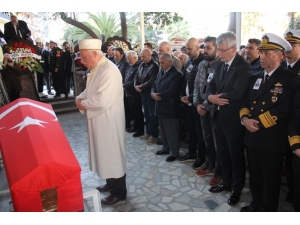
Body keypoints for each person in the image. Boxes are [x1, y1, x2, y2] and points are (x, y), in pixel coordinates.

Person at [240, 33, 299, 212]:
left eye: (268, 53)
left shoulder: (291, 79)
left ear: (280, 56)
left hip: (272, 138)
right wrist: (244, 119)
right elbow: (245, 102)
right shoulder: (256, 76)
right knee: (256, 175)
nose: (262, 57)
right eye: (262, 52)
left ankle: (268, 209)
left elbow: (284, 109)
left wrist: (255, 122)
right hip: (252, 135)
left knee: (270, 178)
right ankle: (256, 203)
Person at [75, 39, 126, 205]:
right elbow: (89, 91)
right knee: (105, 154)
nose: (82, 61)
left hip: (109, 121)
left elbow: (102, 100)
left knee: (112, 156)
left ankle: (119, 192)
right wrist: (80, 97)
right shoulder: (97, 68)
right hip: (100, 120)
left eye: (84, 57)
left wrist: (82, 103)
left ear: (95, 54)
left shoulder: (109, 70)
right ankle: (111, 183)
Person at [206, 31, 252, 206]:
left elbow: (238, 93)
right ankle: (226, 181)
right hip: (218, 116)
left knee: (235, 155)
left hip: (234, 119)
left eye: (223, 50)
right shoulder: (220, 64)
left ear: (233, 49)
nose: (219, 53)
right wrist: (211, 98)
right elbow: (210, 85)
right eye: (218, 49)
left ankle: (236, 187)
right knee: (223, 153)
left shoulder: (243, 66)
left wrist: (218, 96)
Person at [193, 36, 222, 186]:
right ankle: (210, 166)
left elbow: (218, 91)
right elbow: (197, 85)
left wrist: (205, 106)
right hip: (202, 109)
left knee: (218, 144)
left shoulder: (221, 66)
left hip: (214, 110)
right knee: (207, 140)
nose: (205, 50)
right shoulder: (202, 64)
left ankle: (219, 171)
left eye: (209, 47)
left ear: (217, 49)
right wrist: (197, 103)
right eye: (204, 47)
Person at [179, 37, 206, 170]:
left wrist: (191, 98)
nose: (187, 51)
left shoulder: (203, 62)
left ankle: (201, 157)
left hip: (197, 104)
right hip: (187, 103)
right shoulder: (189, 61)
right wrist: (182, 96)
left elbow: (202, 85)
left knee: (199, 132)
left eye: (190, 48)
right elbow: (184, 80)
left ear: (197, 48)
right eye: (186, 48)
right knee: (191, 130)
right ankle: (191, 152)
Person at [152, 53, 182, 162]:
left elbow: (172, 91)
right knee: (163, 130)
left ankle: (174, 152)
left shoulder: (176, 74)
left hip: (170, 107)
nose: (160, 65)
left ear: (170, 62)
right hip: (160, 106)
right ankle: (165, 147)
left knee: (172, 132)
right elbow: (154, 85)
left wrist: (158, 96)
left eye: (162, 62)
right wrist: (152, 94)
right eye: (160, 62)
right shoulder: (161, 72)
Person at [134, 48, 159, 144]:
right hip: (142, 93)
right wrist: (135, 85)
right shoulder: (141, 64)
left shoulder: (154, 66)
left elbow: (152, 80)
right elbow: (136, 75)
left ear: (150, 56)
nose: (142, 58)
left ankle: (154, 135)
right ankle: (148, 132)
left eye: (144, 57)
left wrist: (141, 86)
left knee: (152, 115)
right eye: (141, 56)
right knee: (146, 114)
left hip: (149, 93)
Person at [123, 51, 144, 137]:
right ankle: (135, 127)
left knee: (138, 112)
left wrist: (124, 85)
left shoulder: (139, 66)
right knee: (133, 112)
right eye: (127, 59)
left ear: (135, 58)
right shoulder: (129, 66)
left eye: (129, 59)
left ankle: (140, 129)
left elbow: (134, 80)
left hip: (135, 93)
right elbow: (126, 77)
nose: (128, 61)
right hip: (129, 93)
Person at [114, 47, 131, 131]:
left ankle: (127, 124)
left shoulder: (124, 63)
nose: (115, 57)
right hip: (119, 88)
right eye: (114, 55)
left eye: (117, 56)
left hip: (124, 88)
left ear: (122, 55)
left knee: (125, 108)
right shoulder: (117, 62)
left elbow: (118, 74)